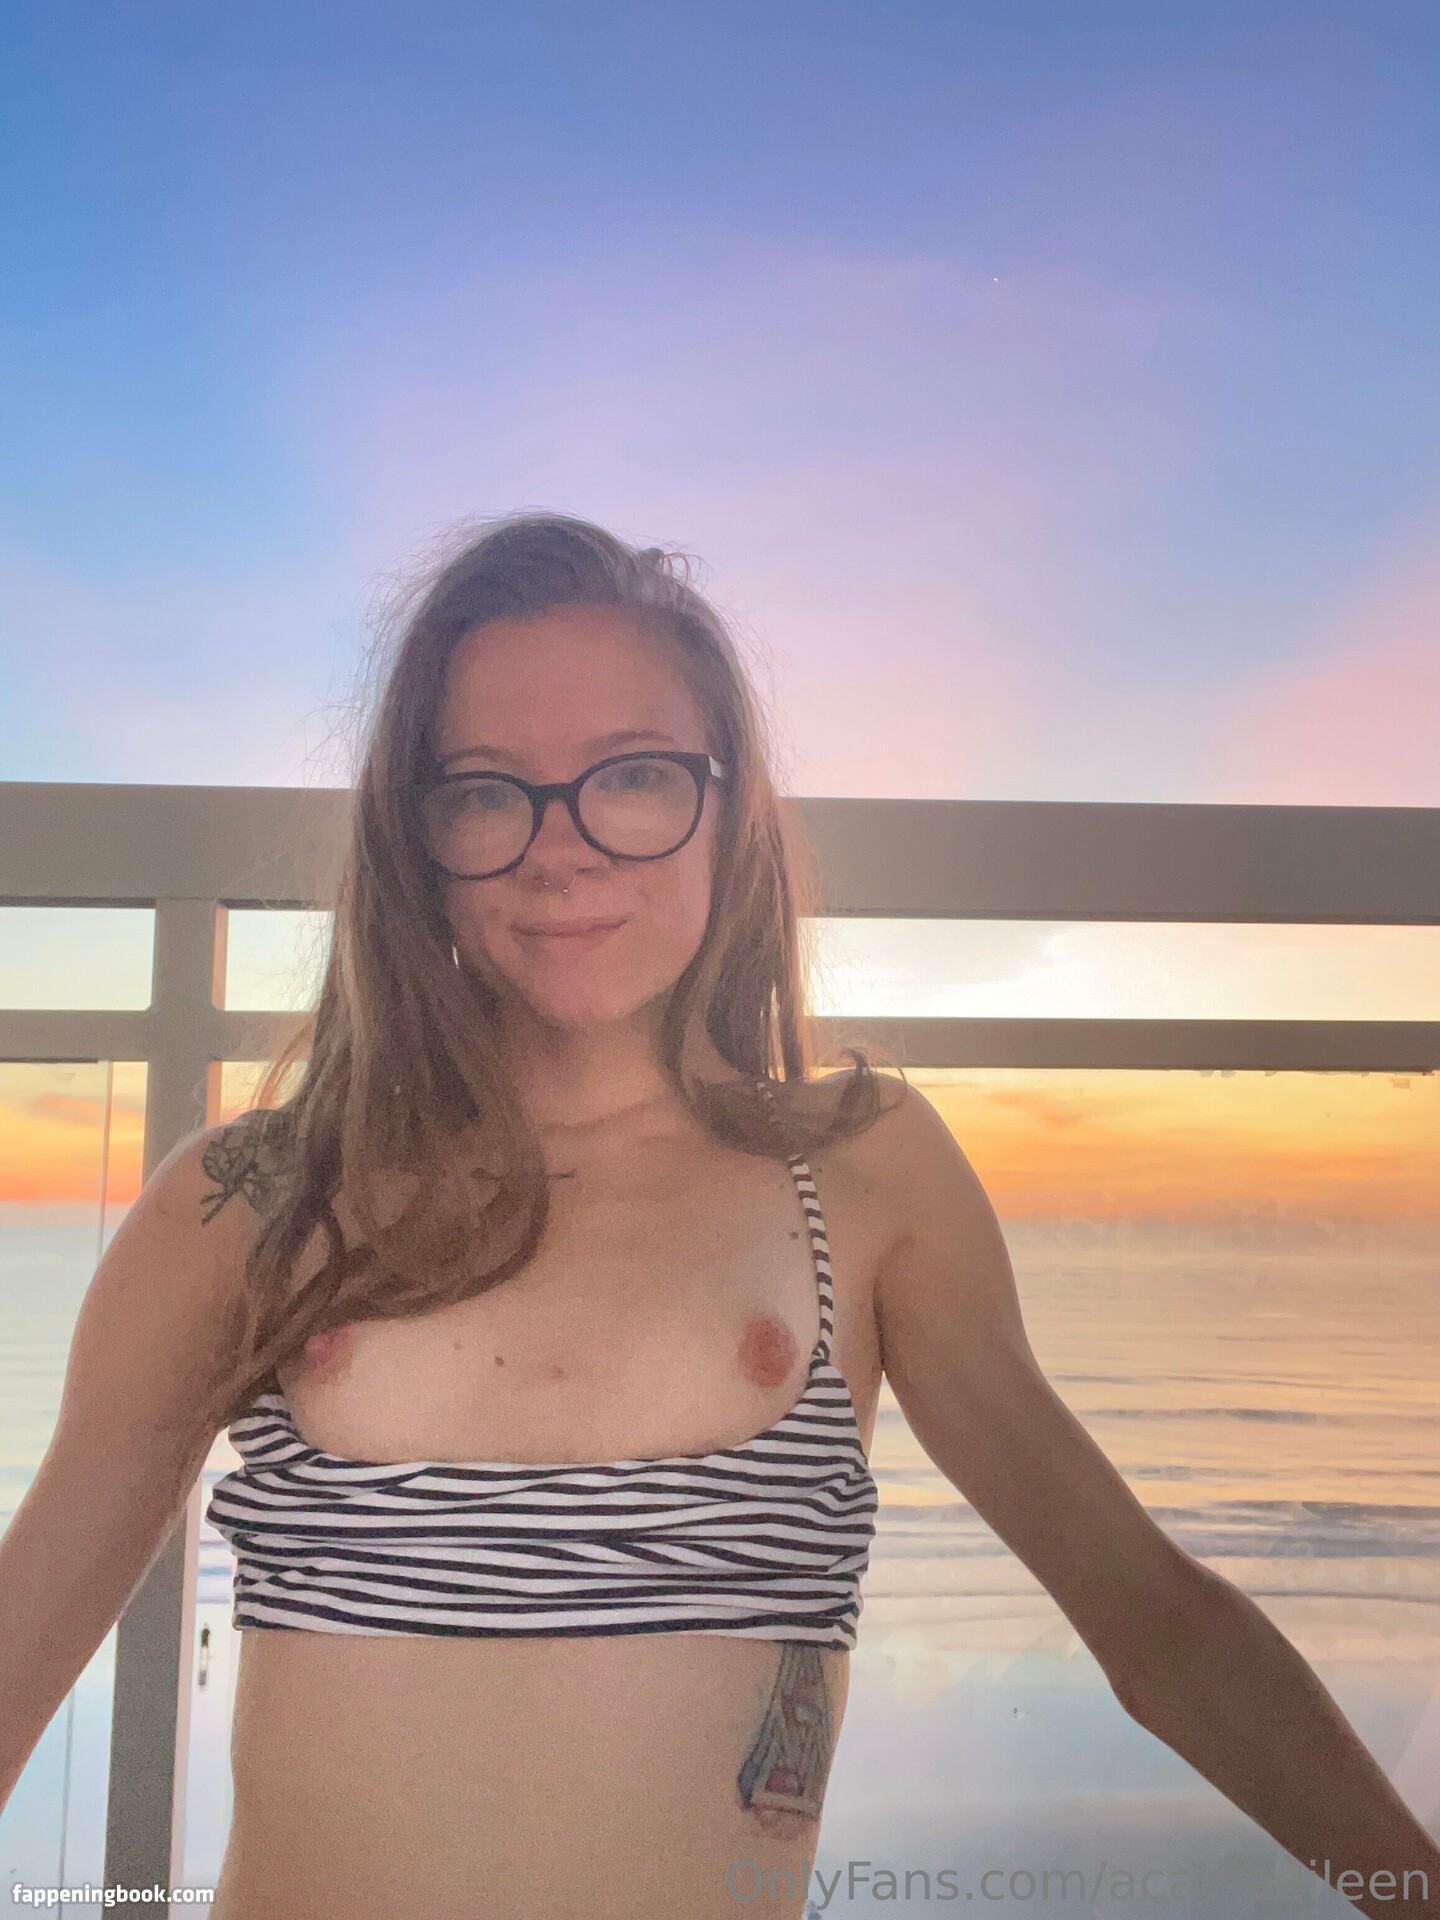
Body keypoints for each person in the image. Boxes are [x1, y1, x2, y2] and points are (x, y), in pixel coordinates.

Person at [2, 513, 1435, 1920]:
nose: (561, 851)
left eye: (632, 777)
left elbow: (1153, 1620)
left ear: (730, 805)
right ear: (417, 838)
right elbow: (27, 1637)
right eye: (487, 791)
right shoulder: (252, 1200)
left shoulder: (860, 1176)